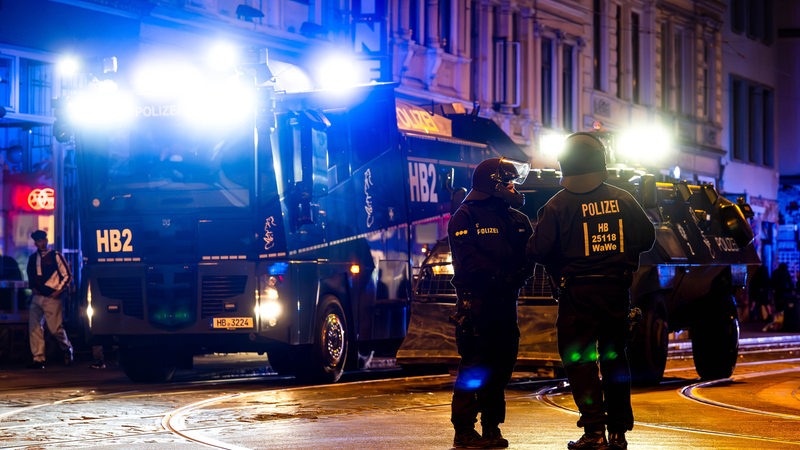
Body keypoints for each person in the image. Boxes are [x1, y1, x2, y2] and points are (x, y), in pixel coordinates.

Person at [526, 133, 655, 450]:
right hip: (615, 292)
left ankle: (594, 431)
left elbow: (537, 249)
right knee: (614, 360)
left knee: (580, 362)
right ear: (602, 162)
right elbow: (648, 237)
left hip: (577, 296)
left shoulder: (557, 205)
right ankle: (618, 433)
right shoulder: (624, 199)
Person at [448, 157, 534, 449]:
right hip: (476, 305)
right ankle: (464, 430)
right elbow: (470, 263)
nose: (513, 188)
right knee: (474, 366)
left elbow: (529, 259)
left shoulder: (517, 220)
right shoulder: (465, 217)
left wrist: (513, 279)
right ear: (493, 185)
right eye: (508, 182)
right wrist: (502, 276)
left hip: (505, 305)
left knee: (501, 366)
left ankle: (491, 427)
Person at [26, 229, 74, 369]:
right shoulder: (33, 258)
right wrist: (33, 288)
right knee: (34, 327)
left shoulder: (56, 256)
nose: (40, 243)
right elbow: (31, 275)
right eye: (38, 241)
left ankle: (67, 347)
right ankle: (38, 358)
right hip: (38, 296)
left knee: (55, 329)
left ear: (46, 240)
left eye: (42, 240)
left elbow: (67, 275)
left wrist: (58, 290)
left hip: (51, 297)